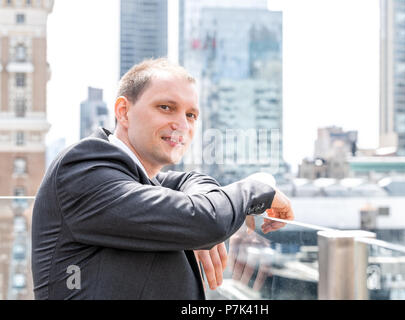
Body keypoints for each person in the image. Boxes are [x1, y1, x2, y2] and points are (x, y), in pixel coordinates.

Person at [31, 58, 294, 300]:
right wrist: (257, 188)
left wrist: (198, 227)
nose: (182, 124)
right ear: (123, 112)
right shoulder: (83, 169)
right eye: (166, 107)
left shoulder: (138, 178)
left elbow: (193, 183)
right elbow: (206, 221)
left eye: (191, 115)